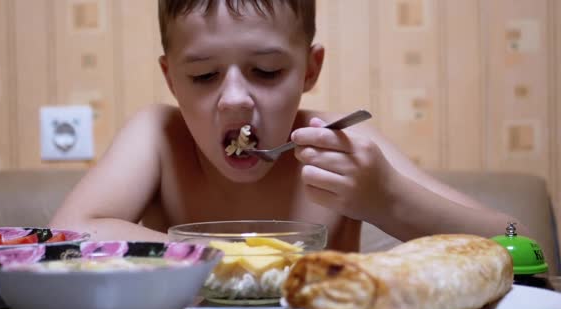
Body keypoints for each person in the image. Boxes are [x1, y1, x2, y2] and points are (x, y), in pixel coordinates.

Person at [49, 0, 525, 251]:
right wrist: (229, 255)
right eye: (204, 75)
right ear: (171, 79)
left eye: (267, 71)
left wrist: (388, 199)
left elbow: (521, 241)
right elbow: (69, 231)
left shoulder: (343, 146)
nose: (235, 97)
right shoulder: (157, 137)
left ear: (310, 70)